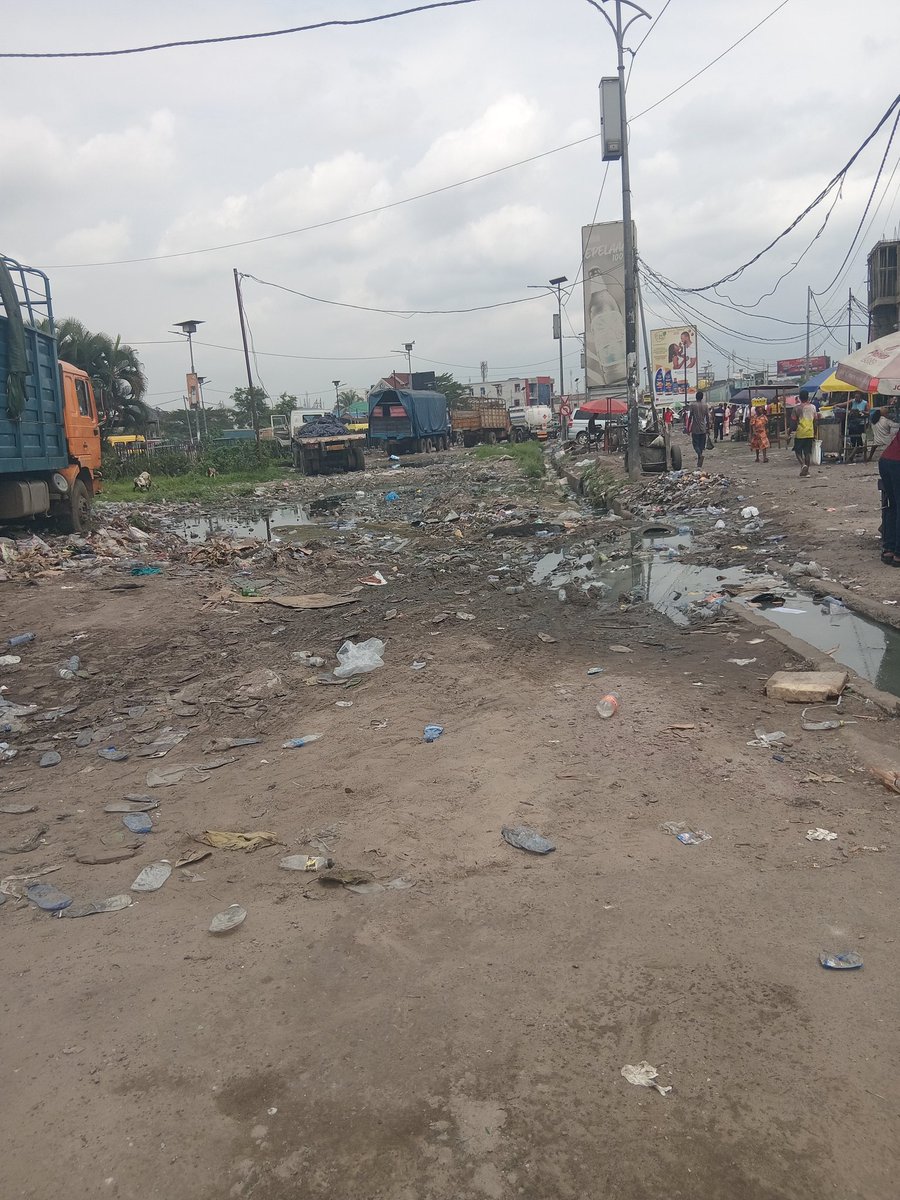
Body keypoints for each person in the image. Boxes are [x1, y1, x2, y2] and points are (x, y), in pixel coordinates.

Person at [872, 403, 900, 565]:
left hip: (886, 461)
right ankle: (898, 553)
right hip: (897, 463)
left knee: (892, 504)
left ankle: (889, 549)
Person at [794, 389, 818, 477]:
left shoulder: (796, 408)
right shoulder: (813, 407)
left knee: (797, 451)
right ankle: (807, 471)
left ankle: (802, 464)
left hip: (800, 432)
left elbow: (793, 421)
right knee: (807, 452)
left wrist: (789, 432)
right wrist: (815, 433)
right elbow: (815, 421)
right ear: (808, 397)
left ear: (799, 398)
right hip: (810, 432)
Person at [687, 389, 711, 468]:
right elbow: (707, 418)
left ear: (696, 397)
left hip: (695, 428)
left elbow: (690, 417)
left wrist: (688, 427)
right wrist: (708, 428)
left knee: (695, 445)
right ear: (702, 397)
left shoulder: (693, 405)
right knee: (701, 446)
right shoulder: (705, 405)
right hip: (703, 428)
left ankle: (699, 455)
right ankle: (699, 461)